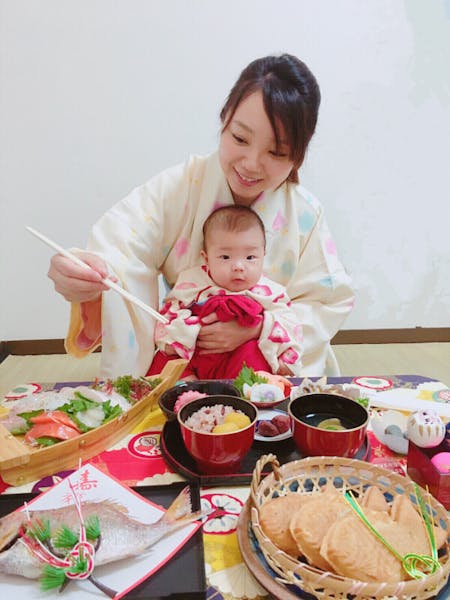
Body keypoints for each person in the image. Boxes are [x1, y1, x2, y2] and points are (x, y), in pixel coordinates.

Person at [48, 53, 354, 378]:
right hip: (188, 366)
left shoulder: (305, 213)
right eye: (239, 138)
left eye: (276, 152)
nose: (251, 163)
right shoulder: (181, 187)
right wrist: (88, 276)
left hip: (269, 377)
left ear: (298, 154)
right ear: (224, 119)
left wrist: (258, 328)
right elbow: (119, 250)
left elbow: (328, 303)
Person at [147, 205, 304, 379]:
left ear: (263, 256)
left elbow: (291, 327)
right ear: (206, 259)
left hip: (239, 363)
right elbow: (169, 315)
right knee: (166, 360)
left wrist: (260, 328)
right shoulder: (192, 282)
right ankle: (187, 394)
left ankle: (243, 396)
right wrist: (188, 329)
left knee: (255, 358)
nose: (238, 267)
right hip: (198, 354)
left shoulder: (270, 292)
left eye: (250, 257)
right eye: (225, 257)